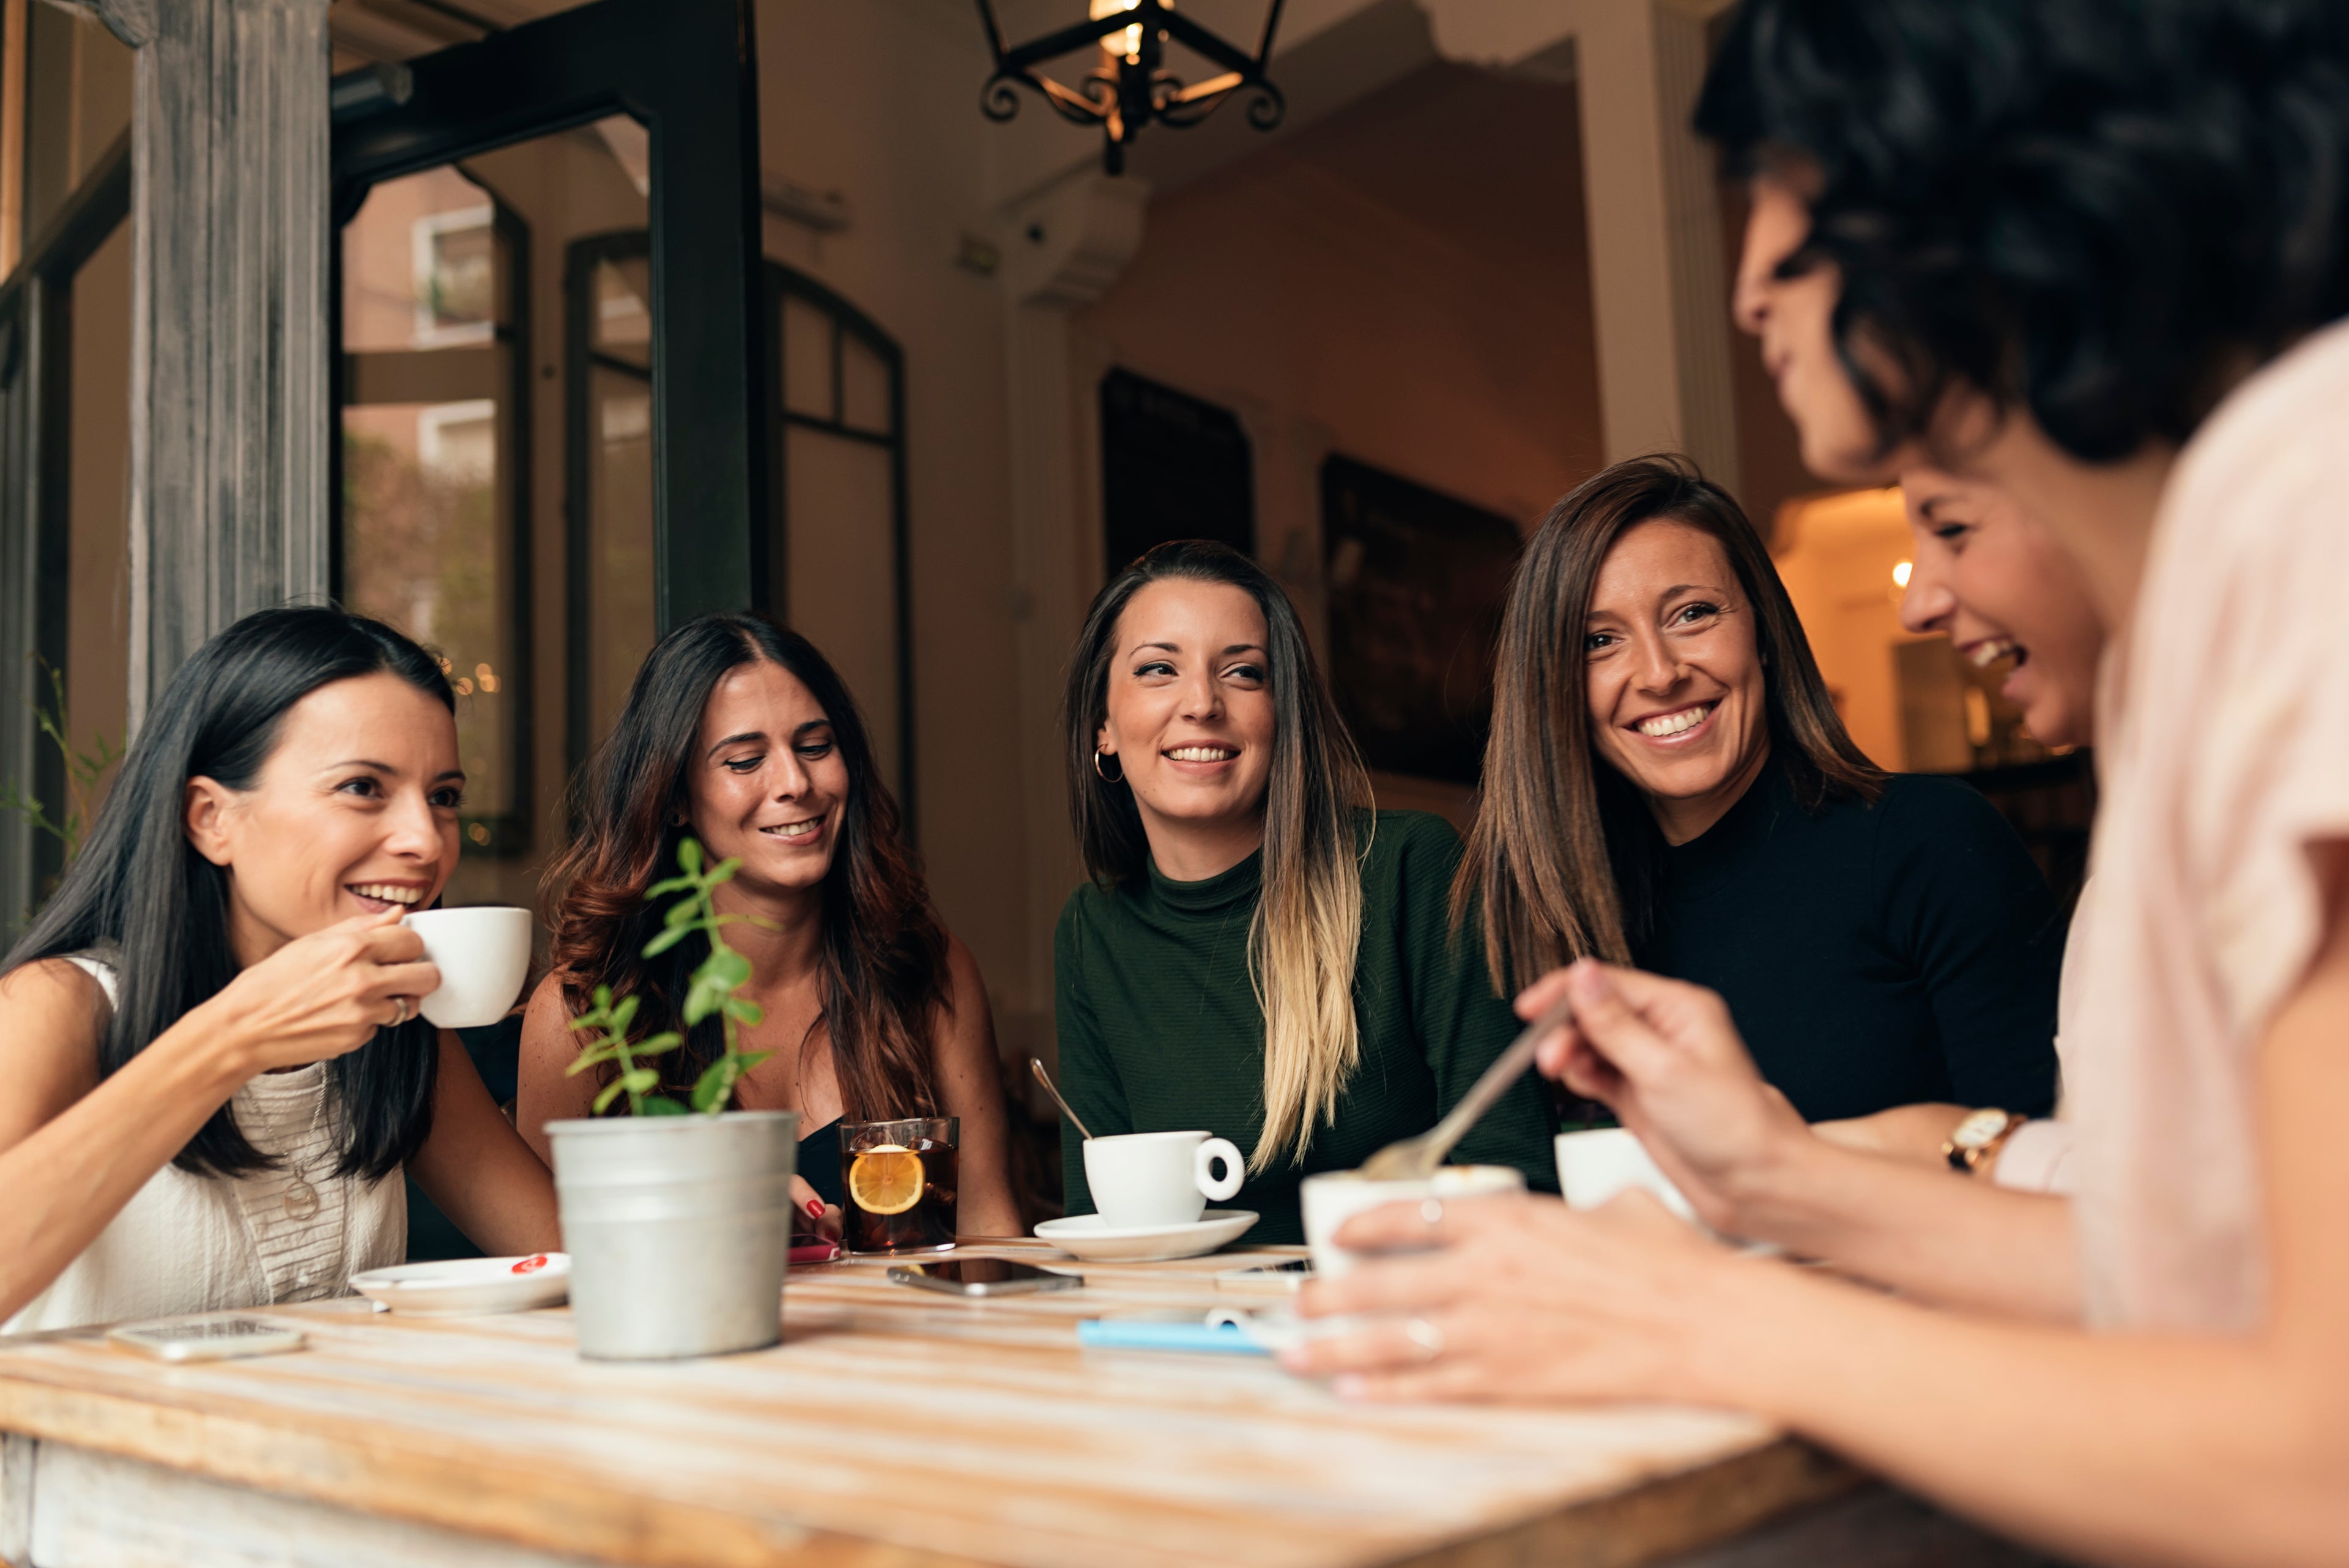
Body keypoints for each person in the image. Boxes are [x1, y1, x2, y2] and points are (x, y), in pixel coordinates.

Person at [1286, 1, 2349, 1561]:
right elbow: (2185, 1277)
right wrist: (1776, 1174)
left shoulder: (2297, 503)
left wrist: (1685, 1309)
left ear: (1959, 195)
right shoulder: (2201, 612)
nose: (1744, 286)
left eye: (1781, 200)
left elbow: (2315, 1467)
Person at [0, 607, 558, 1333]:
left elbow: (564, 1255)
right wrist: (237, 1035)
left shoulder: (394, 1026)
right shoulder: (60, 1005)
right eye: (363, 786)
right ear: (210, 819)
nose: (426, 839)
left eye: (443, 797)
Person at [1459, 455, 2061, 1125]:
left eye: (1692, 613)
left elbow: (2043, 1167)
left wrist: (1788, 1163)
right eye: (1600, 640)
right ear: (1551, 686)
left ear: (1763, 633)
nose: (1659, 674)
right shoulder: (1538, 914)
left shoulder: (1933, 843)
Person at [1052, 541, 1556, 1245]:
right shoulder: (1092, 931)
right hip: (1180, 1340)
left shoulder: (1411, 868)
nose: (1202, 703)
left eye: (1244, 673)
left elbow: (1516, 1171)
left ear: (1283, 715)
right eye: (1159, 669)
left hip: (1403, 1322)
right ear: (1102, 726)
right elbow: (1099, 1224)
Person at [518, 614, 1020, 1239]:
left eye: (815, 746)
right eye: (745, 759)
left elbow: (991, 1230)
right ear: (672, 797)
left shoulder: (928, 968)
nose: (795, 782)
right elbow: (543, 1266)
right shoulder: (581, 1013)